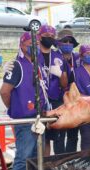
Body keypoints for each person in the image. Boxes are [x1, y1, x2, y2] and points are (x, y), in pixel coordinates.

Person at [0, 32, 48, 170]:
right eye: (30, 43)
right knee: (23, 158)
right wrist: (16, 110)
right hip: (25, 121)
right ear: (22, 45)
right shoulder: (17, 65)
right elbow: (4, 91)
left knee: (36, 155)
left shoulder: (37, 64)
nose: (34, 46)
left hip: (39, 119)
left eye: (36, 43)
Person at [37, 25, 67, 156]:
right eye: (47, 36)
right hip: (37, 101)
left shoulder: (58, 57)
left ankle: (47, 168)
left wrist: (61, 74)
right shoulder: (32, 54)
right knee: (38, 138)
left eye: (52, 36)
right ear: (39, 36)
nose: (49, 38)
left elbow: (65, 83)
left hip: (54, 102)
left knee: (50, 138)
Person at [56, 29, 80, 153]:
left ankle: (71, 158)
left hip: (75, 100)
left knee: (73, 133)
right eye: (64, 41)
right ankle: (59, 161)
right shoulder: (54, 56)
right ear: (58, 43)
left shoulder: (77, 57)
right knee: (60, 134)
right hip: (59, 99)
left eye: (70, 41)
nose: (68, 43)